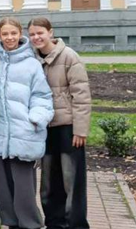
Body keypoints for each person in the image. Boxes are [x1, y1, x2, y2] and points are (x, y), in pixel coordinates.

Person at [0, 17, 54, 229]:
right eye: (5, 34)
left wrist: (35, 119)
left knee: (24, 190)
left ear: (20, 34)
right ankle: (11, 224)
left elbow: (42, 96)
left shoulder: (32, 64)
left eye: (13, 33)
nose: (9, 38)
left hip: (24, 134)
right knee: (4, 189)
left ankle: (31, 225)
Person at [29, 17, 92, 229]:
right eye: (32, 34)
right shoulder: (32, 59)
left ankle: (76, 224)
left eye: (40, 33)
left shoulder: (69, 56)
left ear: (50, 32)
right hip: (45, 128)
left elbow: (81, 95)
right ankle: (54, 223)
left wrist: (80, 130)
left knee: (71, 181)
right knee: (49, 181)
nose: (36, 37)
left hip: (68, 127)